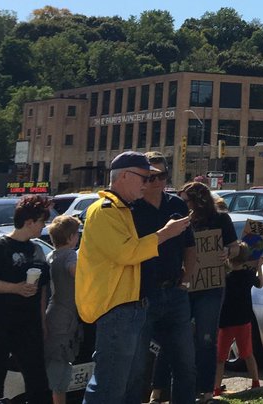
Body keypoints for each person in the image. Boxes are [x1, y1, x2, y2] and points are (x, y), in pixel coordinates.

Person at [78, 151, 191, 404]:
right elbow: (127, 253)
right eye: (144, 177)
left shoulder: (122, 209)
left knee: (121, 382)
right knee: (109, 386)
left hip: (129, 303)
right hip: (116, 305)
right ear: (125, 176)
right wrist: (165, 233)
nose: (147, 183)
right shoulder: (106, 210)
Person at [0, 194, 52, 404]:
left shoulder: (37, 250)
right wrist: (14, 288)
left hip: (28, 326)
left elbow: (42, 288)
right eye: (42, 221)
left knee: (39, 383)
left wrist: (42, 323)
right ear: (29, 222)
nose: (44, 226)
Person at [133, 152, 197, 404]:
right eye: (150, 177)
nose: (156, 181)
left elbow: (190, 246)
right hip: (142, 295)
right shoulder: (131, 209)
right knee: (138, 366)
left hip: (174, 292)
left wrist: (185, 280)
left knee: (185, 363)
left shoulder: (177, 205)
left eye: (161, 176)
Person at [178, 180, 238, 403]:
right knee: (181, 338)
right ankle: (180, 389)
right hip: (184, 286)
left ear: (198, 201)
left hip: (210, 287)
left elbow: (235, 245)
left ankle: (205, 390)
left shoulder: (220, 219)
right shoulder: (179, 221)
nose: (182, 204)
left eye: (186, 201)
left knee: (206, 338)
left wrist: (227, 253)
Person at [213, 242, 262, 396]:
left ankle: (216, 388)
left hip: (226, 321)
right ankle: (255, 382)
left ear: (229, 258)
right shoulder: (248, 275)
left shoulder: (225, 277)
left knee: (220, 357)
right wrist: (259, 267)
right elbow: (260, 284)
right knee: (248, 353)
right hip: (244, 320)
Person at [45, 215, 82, 404]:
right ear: (70, 238)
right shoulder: (70, 255)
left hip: (53, 313)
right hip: (65, 319)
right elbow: (74, 270)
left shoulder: (51, 255)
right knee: (60, 373)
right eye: (76, 234)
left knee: (52, 365)